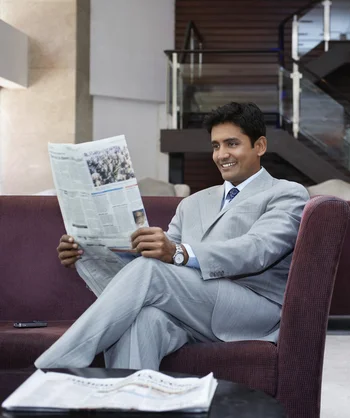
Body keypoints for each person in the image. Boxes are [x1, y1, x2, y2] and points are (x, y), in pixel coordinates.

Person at [35, 102, 310, 370]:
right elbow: (161, 262)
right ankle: (128, 404)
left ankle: (57, 364)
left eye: (232, 144)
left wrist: (179, 252)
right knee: (145, 318)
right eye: (216, 146)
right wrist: (86, 254)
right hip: (190, 310)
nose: (221, 154)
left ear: (259, 146)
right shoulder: (192, 203)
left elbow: (258, 249)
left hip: (251, 311)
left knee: (152, 271)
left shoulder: (287, 193)